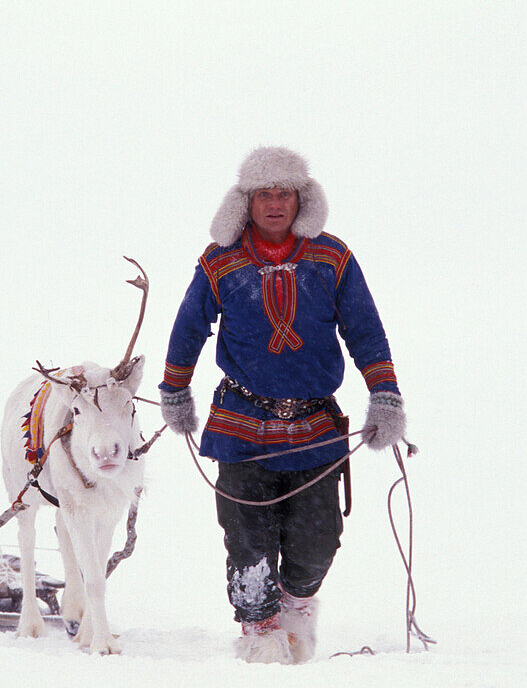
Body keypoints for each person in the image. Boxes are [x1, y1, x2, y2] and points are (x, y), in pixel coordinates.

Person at [159, 146, 406, 664]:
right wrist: (175, 390)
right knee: (247, 539)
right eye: (264, 195)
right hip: (241, 423)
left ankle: (294, 613)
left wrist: (384, 395)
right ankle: (260, 638)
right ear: (246, 203)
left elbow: (364, 329)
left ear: (302, 200)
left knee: (319, 540)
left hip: (315, 423)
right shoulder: (219, 261)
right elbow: (188, 328)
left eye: (284, 194)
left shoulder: (332, 257)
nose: (275, 205)